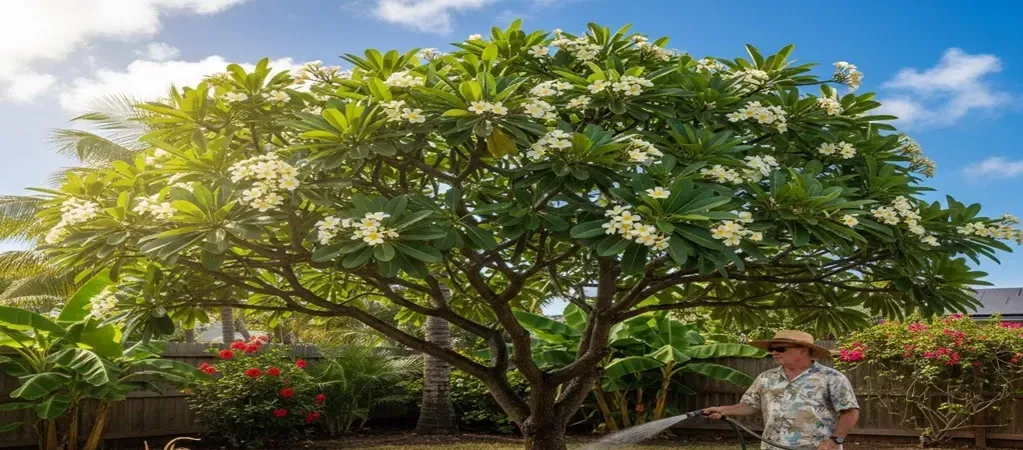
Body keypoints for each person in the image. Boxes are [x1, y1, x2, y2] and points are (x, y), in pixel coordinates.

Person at [703, 330, 859, 450]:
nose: (774, 352)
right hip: (772, 446)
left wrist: (836, 440)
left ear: (803, 350)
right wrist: (723, 410)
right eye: (772, 349)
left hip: (817, 447)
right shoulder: (766, 377)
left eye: (780, 348)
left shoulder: (831, 377)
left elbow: (850, 411)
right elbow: (750, 405)